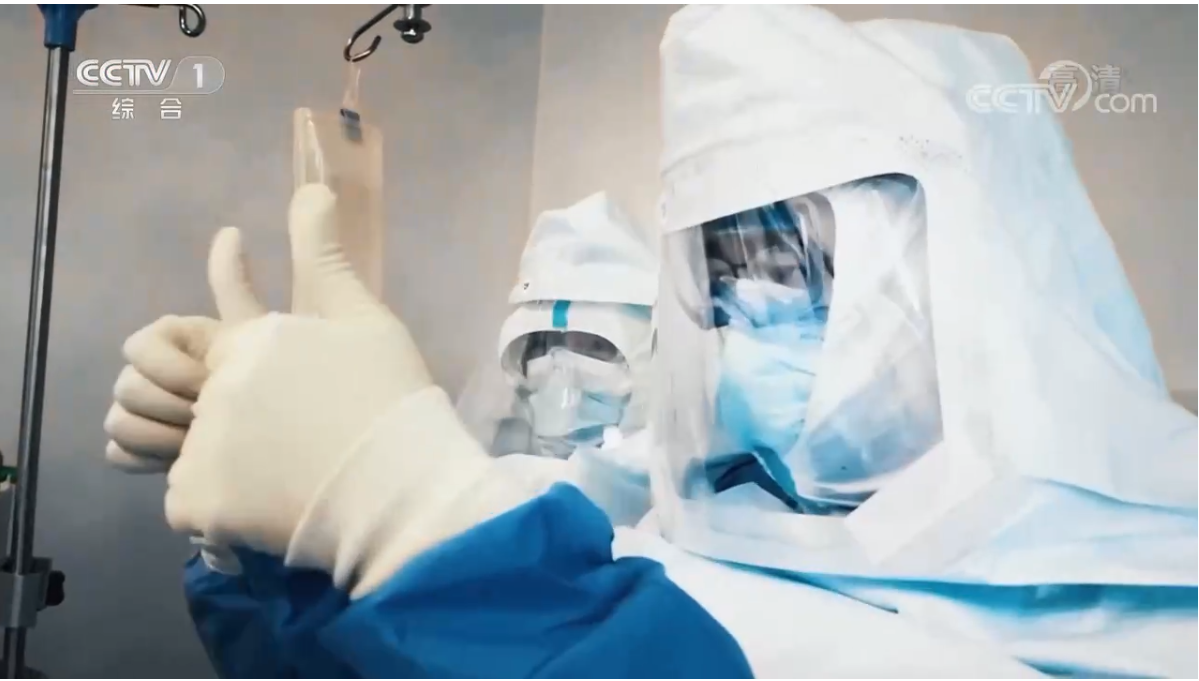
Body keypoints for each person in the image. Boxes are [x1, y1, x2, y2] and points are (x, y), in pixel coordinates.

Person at [103, 5, 1195, 678]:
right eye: (714, 294)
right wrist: (278, 531)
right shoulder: (680, 526)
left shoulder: (1142, 614)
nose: (735, 338)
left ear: (985, 280)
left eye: (786, 278)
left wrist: (407, 522)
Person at [455, 191, 658, 527]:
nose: (563, 385)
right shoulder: (493, 453)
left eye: (593, 347)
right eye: (541, 346)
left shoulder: (675, 493)